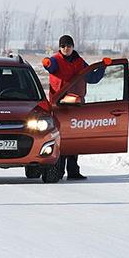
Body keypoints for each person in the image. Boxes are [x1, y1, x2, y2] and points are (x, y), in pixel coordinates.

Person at [42, 34, 109, 180]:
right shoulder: (56, 60)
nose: (66, 48)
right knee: (60, 138)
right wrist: (46, 63)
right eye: (63, 46)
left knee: (74, 139)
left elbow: (92, 78)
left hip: (76, 105)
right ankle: (58, 170)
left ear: (73, 47)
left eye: (69, 46)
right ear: (60, 48)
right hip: (59, 106)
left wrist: (103, 66)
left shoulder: (80, 62)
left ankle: (73, 171)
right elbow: (50, 66)